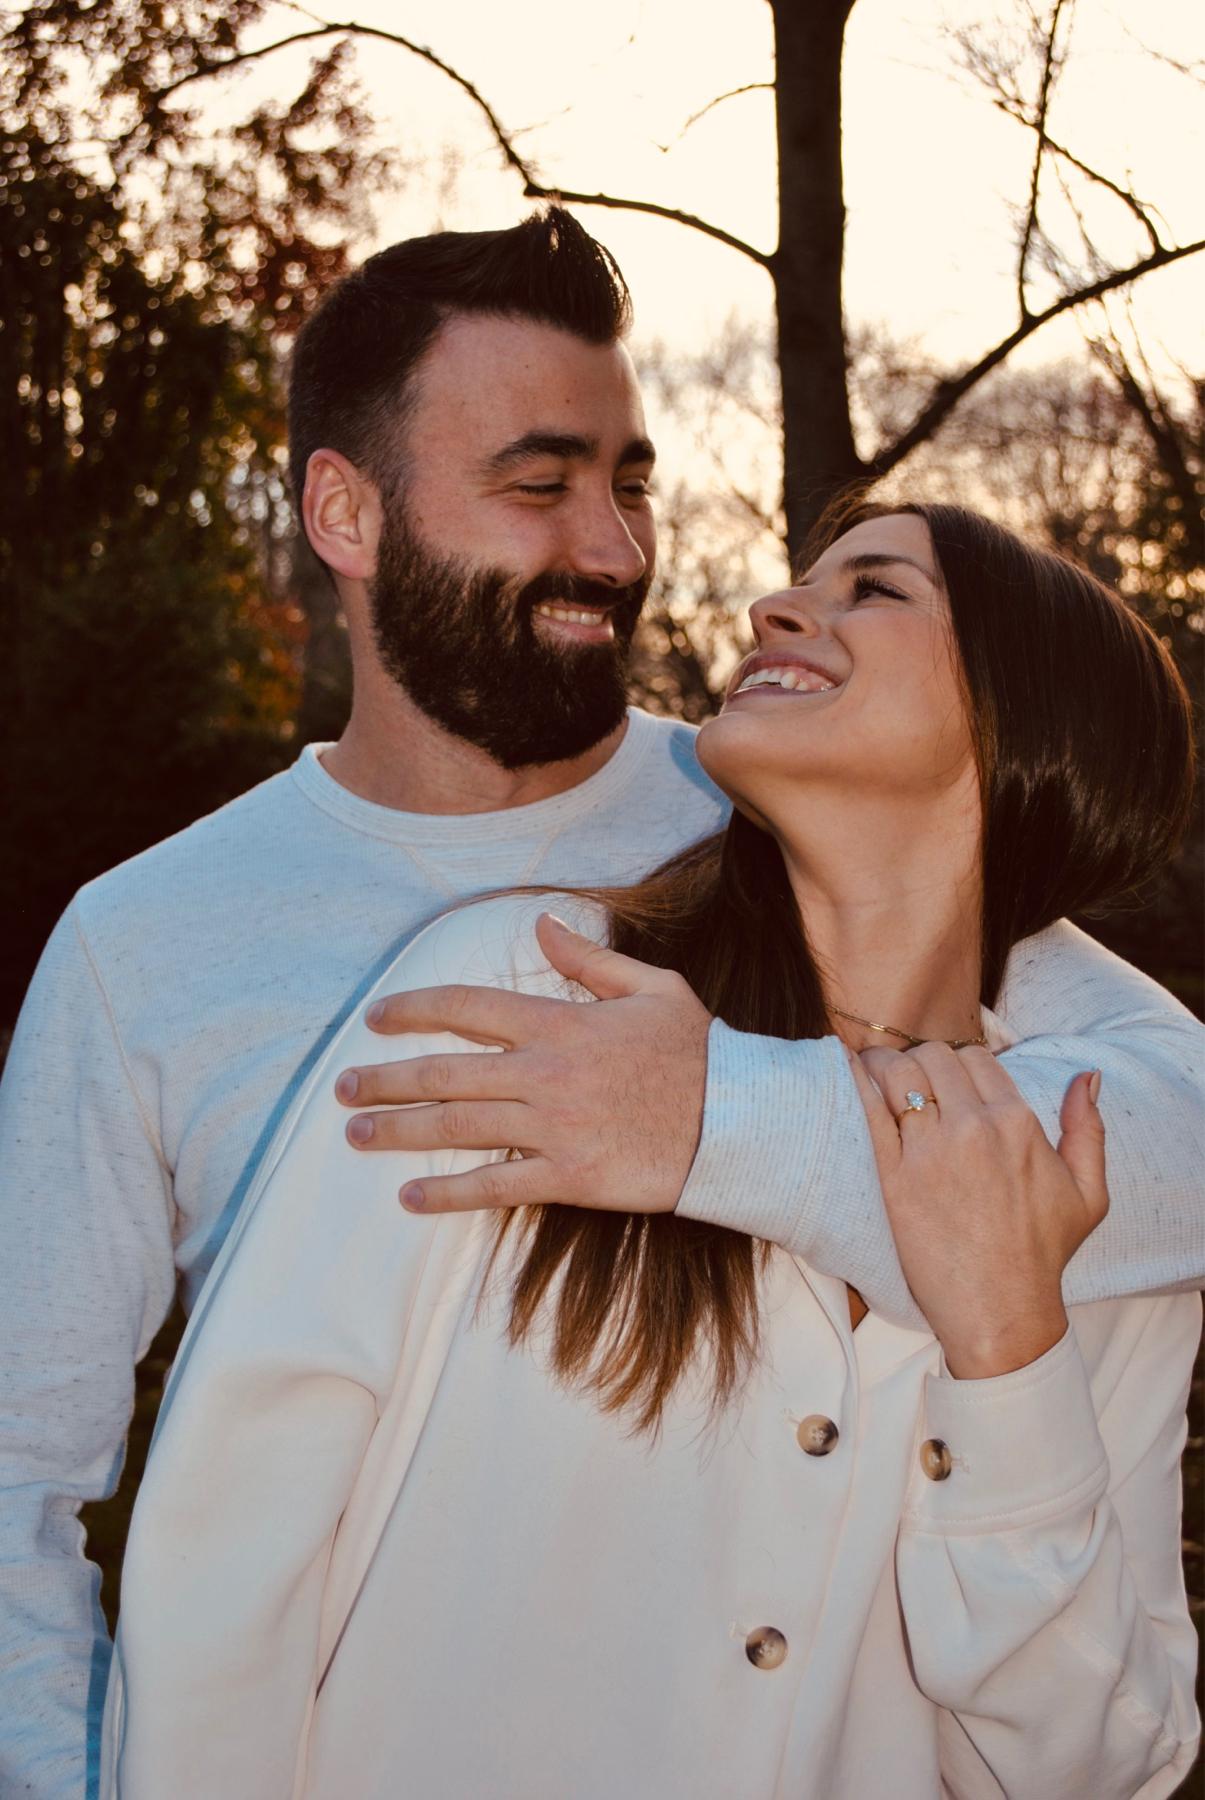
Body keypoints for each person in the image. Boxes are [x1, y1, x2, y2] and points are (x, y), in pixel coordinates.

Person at [0, 208, 1200, 1797]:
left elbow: (1158, 1129)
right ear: (345, 512)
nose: (619, 550)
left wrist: (712, 1121)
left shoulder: (779, 818)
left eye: (630, 483)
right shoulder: (154, 942)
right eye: (539, 483)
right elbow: (52, 1484)